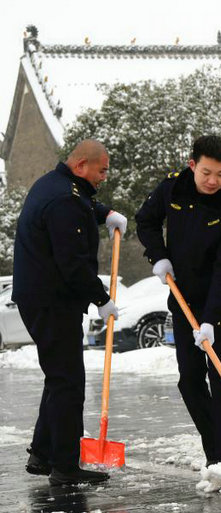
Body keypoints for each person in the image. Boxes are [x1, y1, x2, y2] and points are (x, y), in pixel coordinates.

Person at [14, 139, 127, 485]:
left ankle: (43, 452)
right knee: (68, 382)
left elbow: (78, 203)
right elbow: (72, 263)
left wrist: (103, 212)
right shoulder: (65, 198)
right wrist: (101, 298)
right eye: (102, 169)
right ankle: (64, 467)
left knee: (58, 376)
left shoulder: (55, 185)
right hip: (52, 300)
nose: (105, 176)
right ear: (81, 167)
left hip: (42, 297)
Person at [135, 135, 221, 469]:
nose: (213, 181)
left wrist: (212, 320)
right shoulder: (173, 187)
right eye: (207, 173)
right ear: (192, 166)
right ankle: (215, 449)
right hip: (182, 297)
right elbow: (146, 220)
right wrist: (158, 257)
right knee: (189, 380)